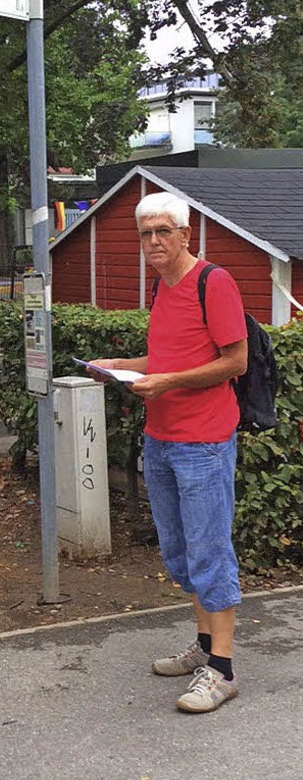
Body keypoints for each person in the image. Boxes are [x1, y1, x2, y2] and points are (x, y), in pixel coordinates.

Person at [89, 192, 247, 714]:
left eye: (163, 231)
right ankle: (204, 649)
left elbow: (235, 362)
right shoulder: (161, 287)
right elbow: (164, 357)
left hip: (204, 441)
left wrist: (168, 381)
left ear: (185, 235)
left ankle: (221, 671)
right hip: (161, 438)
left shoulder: (213, 282)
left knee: (209, 552)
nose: (153, 241)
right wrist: (118, 363)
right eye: (145, 233)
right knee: (180, 554)